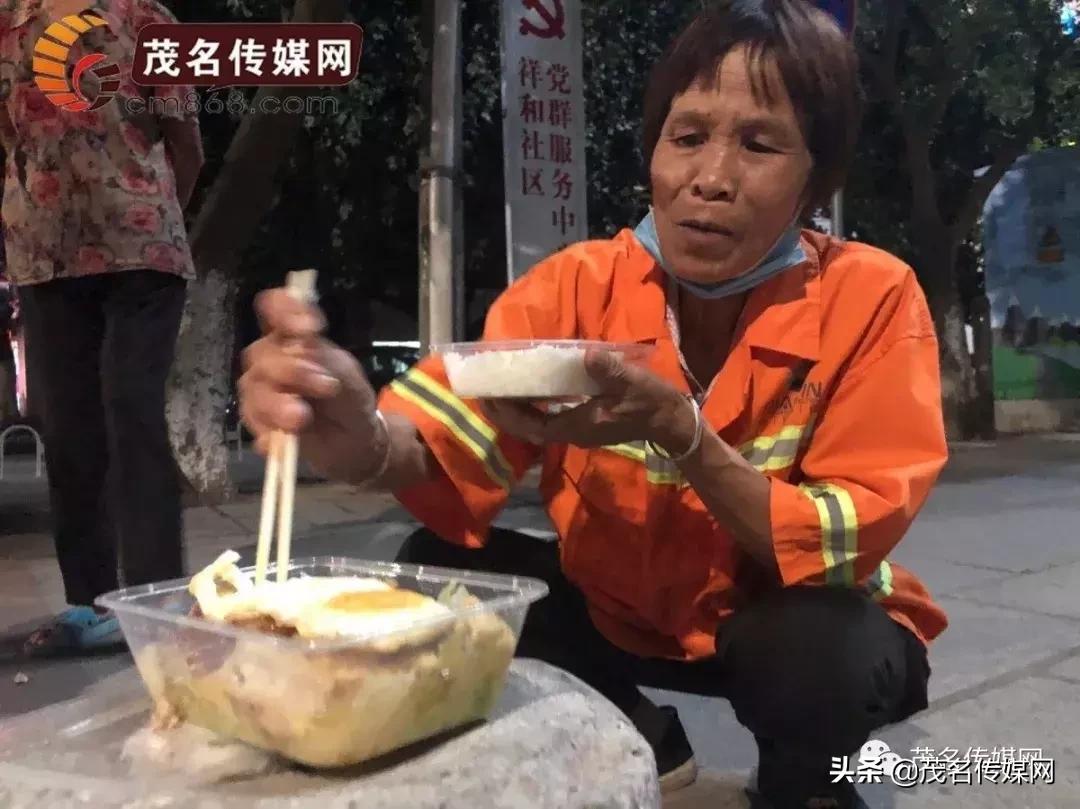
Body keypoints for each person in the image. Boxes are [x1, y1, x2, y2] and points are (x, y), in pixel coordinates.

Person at [240, 3, 948, 807]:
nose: (709, 177)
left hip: (785, 626)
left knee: (820, 653)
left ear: (816, 181)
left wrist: (682, 430)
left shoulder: (875, 298)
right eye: (687, 137)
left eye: (758, 144)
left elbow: (845, 536)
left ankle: (803, 783)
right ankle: (648, 737)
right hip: (618, 616)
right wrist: (355, 432)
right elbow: (439, 439)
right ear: (654, 151)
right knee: (437, 575)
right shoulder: (576, 287)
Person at [0, 0, 203, 654]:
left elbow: (185, 143)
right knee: (67, 428)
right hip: (45, 255)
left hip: (143, 253)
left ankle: (158, 598)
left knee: (131, 408)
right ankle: (87, 604)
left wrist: (159, 211)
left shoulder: (146, 16)